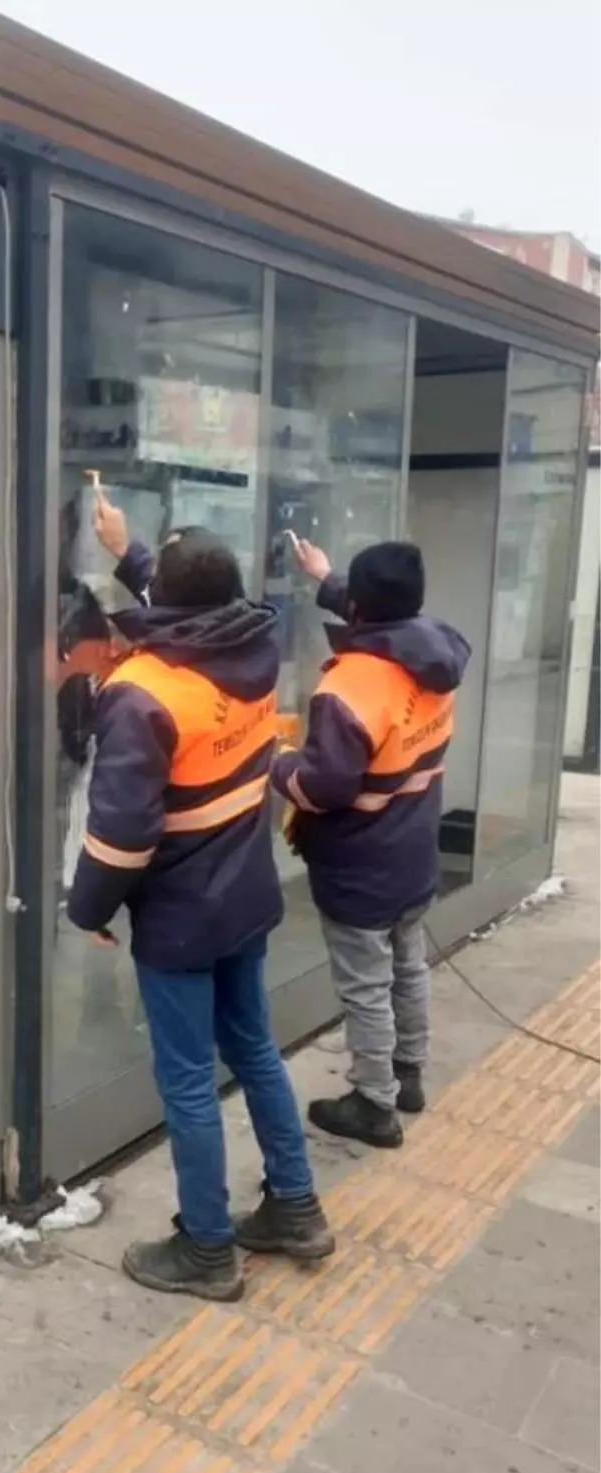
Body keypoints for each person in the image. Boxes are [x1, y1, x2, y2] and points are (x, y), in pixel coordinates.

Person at [68, 492, 333, 1302]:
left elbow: (120, 834)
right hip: (245, 893)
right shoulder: (256, 642)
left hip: (181, 914)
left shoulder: (140, 692)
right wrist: (130, 553)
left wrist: (88, 908)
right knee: (253, 1049)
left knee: (186, 1079)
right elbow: (196, 609)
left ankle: (207, 1249)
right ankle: (295, 1207)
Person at [273, 535, 470, 1149]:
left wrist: (276, 760)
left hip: (362, 862)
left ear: (357, 606)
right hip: (413, 849)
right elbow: (387, 623)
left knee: (365, 985)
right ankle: (407, 1073)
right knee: (407, 965)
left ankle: (373, 1102)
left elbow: (325, 787)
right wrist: (326, 578)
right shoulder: (434, 651)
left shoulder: (351, 688)